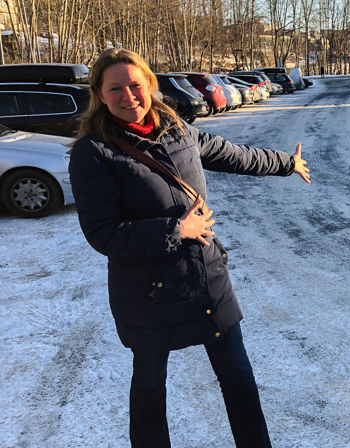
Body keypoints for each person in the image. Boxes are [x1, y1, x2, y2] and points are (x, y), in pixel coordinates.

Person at [69, 48, 310, 447]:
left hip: (207, 280)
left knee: (239, 380)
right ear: (100, 93)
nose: (128, 95)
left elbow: (230, 153)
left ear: (150, 83)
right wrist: (175, 229)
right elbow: (102, 233)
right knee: (149, 388)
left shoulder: (176, 128)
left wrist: (285, 163)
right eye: (115, 88)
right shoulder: (94, 151)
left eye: (135, 84)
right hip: (148, 293)